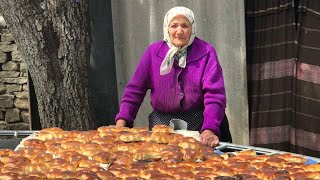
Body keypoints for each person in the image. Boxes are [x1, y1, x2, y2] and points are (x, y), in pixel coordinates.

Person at [115, 6, 227, 147]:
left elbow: (215, 95)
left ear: (192, 28)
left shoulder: (206, 52)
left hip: (200, 123)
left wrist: (210, 129)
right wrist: (123, 120)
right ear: (166, 28)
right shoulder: (153, 53)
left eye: (185, 26)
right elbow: (135, 90)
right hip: (161, 124)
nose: (179, 31)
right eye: (174, 25)